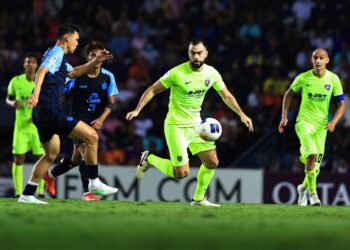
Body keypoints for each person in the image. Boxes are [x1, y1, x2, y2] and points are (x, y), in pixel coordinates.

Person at [126, 39, 253, 207]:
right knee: (181, 173)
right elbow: (152, 89)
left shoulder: (212, 73)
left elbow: (226, 95)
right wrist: (138, 109)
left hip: (197, 126)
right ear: (189, 54)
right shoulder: (176, 73)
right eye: (193, 53)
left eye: (199, 53)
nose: (196, 56)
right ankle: (149, 159)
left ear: (206, 54)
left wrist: (242, 114)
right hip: (176, 126)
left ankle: (199, 199)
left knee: (212, 162)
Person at [19, 23, 118, 204]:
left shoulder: (59, 58)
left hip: (41, 113)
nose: (77, 43)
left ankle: (27, 193)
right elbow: (41, 71)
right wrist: (36, 93)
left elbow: (73, 73)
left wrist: (94, 62)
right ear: (67, 38)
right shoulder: (56, 52)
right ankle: (94, 183)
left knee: (51, 154)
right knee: (92, 137)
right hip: (50, 109)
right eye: (76, 39)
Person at [44, 41, 118, 201]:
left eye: (98, 55)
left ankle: (50, 174)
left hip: (94, 123)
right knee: (85, 150)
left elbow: (112, 102)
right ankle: (89, 191)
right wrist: (56, 113)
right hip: (76, 121)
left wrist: (100, 119)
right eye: (92, 55)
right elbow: (62, 94)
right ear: (87, 57)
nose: (96, 57)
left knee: (75, 160)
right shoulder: (78, 76)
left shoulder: (108, 76)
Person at [278, 48, 345, 206]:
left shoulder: (333, 79)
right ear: (311, 60)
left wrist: (334, 121)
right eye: (315, 58)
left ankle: (302, 188)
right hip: (304, 123)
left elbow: (342, 104)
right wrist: (284, 116)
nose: (318, 61)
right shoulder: (303, 77)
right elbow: (288, 94)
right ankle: (313, 194)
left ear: (327, 60)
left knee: (315, 168)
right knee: (311, 155)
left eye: (322, 58)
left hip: (321, 127)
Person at [6, 53, 46, 198]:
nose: (30, 64)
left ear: (37, 65)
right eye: (27, 62)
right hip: (21, 128)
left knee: (40, 158)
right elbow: (9, 98)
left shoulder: (41, 82)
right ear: (24, 64)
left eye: (33, 62)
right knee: (18, 159)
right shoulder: (15, 82)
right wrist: (12, 103)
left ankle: (40, 192)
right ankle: (18, 192)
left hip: (37, 127)